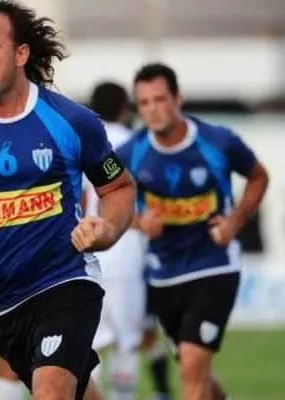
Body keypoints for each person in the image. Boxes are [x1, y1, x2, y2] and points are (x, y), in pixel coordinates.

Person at [0, 1, 136, 399]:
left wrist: (107, 229)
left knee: (50, 394)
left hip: (66, 281)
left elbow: (118, 188)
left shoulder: (71, 121)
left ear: (21, 54)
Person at [117, 63, 269, 400]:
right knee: (194, 368)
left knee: (192, 367)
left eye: (160, 99)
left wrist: (235, 222)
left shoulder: (217, 141)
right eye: (144, 103)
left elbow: (258, 176)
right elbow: (105, 199)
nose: (153, 109)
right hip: (163, 275)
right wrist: (139, 222)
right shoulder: (131, 153)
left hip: (213, 266)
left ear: (178, 99)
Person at [84, 82, 172, 400]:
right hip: (125, 252)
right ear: (125, 108)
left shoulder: (82, 142)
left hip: (88, 253)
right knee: (127, 343)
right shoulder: (136, 145)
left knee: (87, 345)